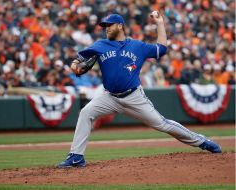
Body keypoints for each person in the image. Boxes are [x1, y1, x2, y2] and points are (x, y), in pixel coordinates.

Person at [57, 12, 222, 168]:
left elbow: (162, 49)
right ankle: (76, 157)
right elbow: (80, 58)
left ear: (120, 26)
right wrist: (74, 67)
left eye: (110, 25)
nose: (106, 28)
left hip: (134, 96)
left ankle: (201, 141)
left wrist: (160, 24)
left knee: (162, 124)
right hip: (109, 97)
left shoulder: (137, 45)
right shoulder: (100, 45)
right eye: (105, 26)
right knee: (86, 113)